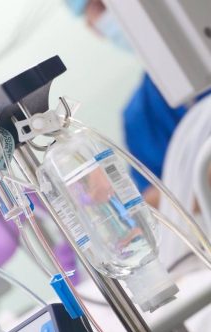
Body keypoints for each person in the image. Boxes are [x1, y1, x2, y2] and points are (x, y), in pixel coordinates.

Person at [66, 0, 211, 208]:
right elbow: (155, 204)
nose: (122, 13)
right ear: (93, 28)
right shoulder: (141, 118)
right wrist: (117, 196)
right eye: (103, 7)